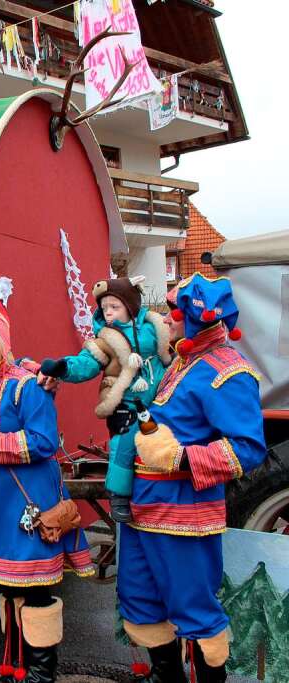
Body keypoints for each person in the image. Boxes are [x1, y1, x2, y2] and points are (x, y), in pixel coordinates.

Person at [119, 274, 266, 683]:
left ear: (195, 318)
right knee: (141, 600)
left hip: (185, 514)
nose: (166, 320)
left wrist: (182, 456)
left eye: (173, 312)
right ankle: (166, 676)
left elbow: (249, 449)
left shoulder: (228, 371)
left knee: (194, 610)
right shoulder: (184, 361)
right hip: (143, 507)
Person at [0, 298, 94, 683]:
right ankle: (14, 664)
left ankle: (41, 671)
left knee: (35, 588)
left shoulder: (27, 386)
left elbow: (43, 442)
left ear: (6, 346)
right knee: (7, 585)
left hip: (28, 500)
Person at [38, 277, 171, 522]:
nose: (108, 312)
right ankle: (118, 494)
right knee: (124, 444)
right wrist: (64, 367)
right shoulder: (105, 341)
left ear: (130, 307)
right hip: (128, 403)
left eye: (114, 307)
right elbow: (87, 363)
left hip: (163, 397)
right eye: (104, 308)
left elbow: (173, 349)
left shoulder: (156, 328)